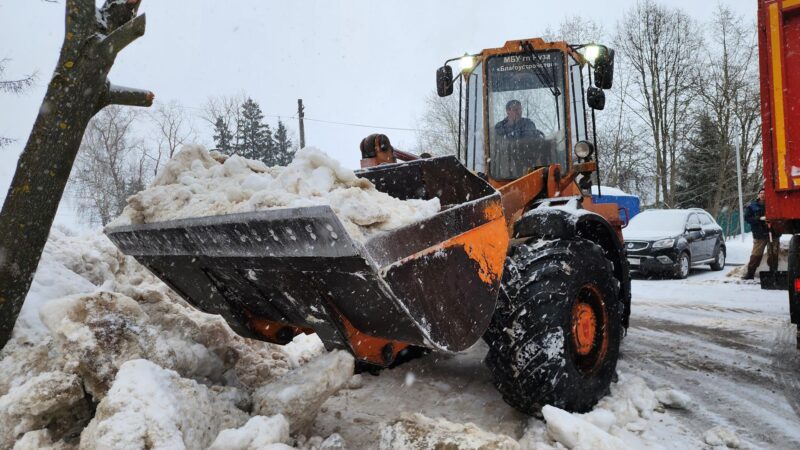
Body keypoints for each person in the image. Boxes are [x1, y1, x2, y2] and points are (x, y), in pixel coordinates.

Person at [743, 188, 779, 280]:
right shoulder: (752, 206)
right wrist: (758, 219)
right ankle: (750, 273)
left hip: (773, 233)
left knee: (773, 254)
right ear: (758, 195)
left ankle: (773, 272)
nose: (762, 195)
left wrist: (773, 220)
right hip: (759, 234)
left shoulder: (773, 204)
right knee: (756, 255)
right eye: (761, 193)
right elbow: (747, 218)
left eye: (764, 193)